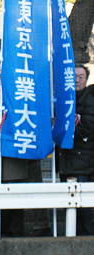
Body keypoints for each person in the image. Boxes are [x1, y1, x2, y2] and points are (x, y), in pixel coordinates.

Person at [0, 75, 51, 237]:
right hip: (0, 161)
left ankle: (23, 230)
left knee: (18, 198)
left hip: (17, 160)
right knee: (4, 199)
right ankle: (6, 231)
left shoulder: (17, 105)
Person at [56, 64, 94, 236]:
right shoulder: (62, 100)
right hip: (65, 158)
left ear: (86, 80)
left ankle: (85, 240)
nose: (77, 80)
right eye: (74, 76)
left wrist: (62, 130)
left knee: (83, 204)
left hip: (82, 159)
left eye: (81, 77)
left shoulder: (89, 101)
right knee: (68, 203)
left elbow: (87, 127)